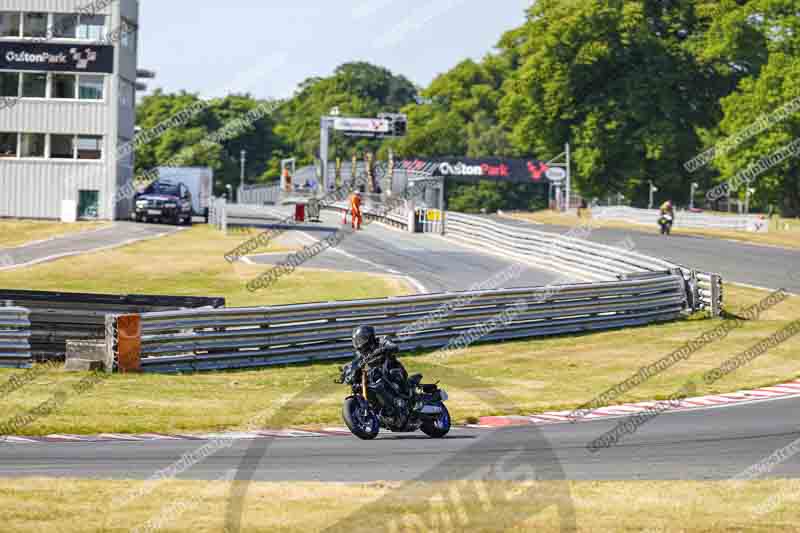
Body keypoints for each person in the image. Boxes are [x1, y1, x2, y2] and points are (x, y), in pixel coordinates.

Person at [349, 326, 409, 413]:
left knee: (392, 372)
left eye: (361, 340)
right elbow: (355, 364)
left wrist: (385, 348)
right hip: (376, 374)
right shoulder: (360, 353)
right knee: (361, 383)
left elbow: (394, 346)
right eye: (357, 341)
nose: (359, 343)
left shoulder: (381, 341)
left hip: (392, 369)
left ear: (368, 337)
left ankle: (405, 397)